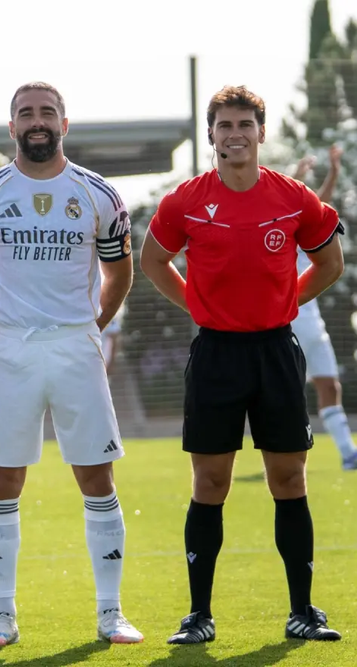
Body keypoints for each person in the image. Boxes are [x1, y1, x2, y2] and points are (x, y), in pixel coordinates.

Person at [140, 85, 344, 643]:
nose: (235, 135)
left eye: (244, 125)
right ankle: (199, 616)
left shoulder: (293, 196)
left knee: (288, 477)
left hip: (276, 351)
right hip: (216, 355)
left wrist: (288, 301)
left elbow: (330, 261)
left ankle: (303, 610)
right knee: (210, 481)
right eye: (224, 125)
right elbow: (153, 259)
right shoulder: (185, 200)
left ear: (260, 132)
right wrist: (195, 304)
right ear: (211, 134)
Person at [0, 81, 143, 648]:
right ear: (10, 126)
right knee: (3, 477)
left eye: (47, 112)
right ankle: (2, 615)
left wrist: (94, 325)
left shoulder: (98, 195)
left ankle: (111, 612)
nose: (37, 121)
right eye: (25, 113)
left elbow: (120, 272)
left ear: (66, 123)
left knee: (95, 475)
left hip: (76, 346)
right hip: (11, 348)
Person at [291, 146, 357, 470]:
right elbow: (275, 200)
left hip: (312, 322)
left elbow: (322, 202)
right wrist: (298, 176)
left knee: (330, 385)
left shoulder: (311, 225)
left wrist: (332, 170)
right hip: (285, 321)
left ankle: (348, 453)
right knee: (283, 392)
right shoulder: (276, 223)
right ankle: (284, 454)